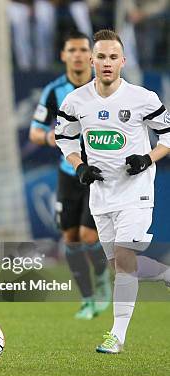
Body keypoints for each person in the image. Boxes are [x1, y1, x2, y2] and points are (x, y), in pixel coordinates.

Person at [55, 29, 170, 353]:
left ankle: (116, 336)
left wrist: (147, 158)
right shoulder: (76, 101)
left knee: (123, 258)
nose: (107, 62)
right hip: (101, 196)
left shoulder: (143, 98)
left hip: (136, 192)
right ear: (92, 60)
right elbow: (64, 138)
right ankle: (164, 274)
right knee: (120, 265)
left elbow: (168, 136)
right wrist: (79, 165)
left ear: (123, 60)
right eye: (101, 57)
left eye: (113, 57)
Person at [29, 31, 110, 320]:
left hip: (100, 173)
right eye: (71, 50)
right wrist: (51, 137)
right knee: (71, 238)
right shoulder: (53, 91)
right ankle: (88, 299)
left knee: (89, 234)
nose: (77, 55)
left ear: (90, 55)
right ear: (63, 55)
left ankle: (102, 282)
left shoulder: (104, 86)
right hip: (68, 171)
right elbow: (34, 131)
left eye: (82, 50)